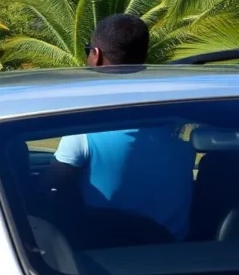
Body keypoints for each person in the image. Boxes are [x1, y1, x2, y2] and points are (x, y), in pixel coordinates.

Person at [47, 14, 194, 243]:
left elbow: (52, 185)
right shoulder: (180, 117)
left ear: (96, 55)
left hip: (108, 252)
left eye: (88, 50)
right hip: (179, 250)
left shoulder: (88, 123)